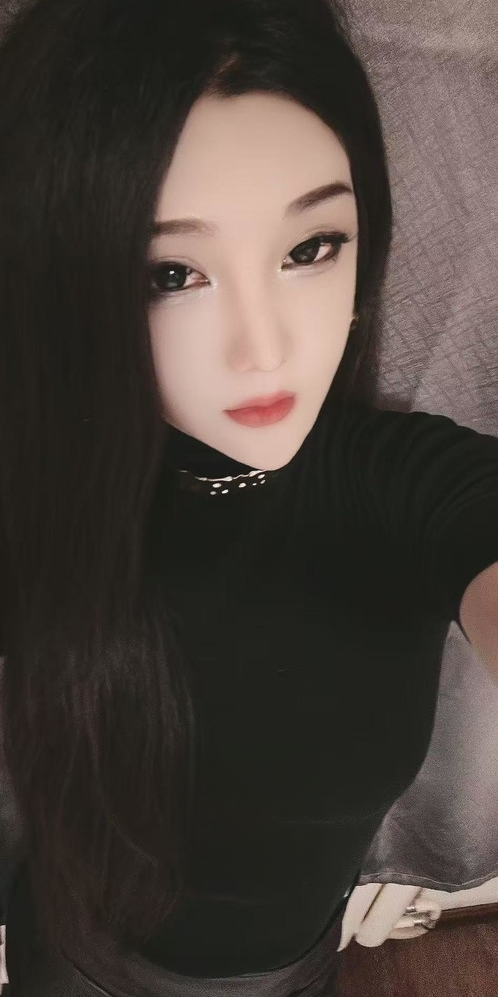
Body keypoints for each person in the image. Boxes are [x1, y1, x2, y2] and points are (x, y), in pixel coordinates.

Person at [1, 0, 498, 995]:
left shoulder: (406, 484)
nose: (264, 348)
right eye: (172, 272)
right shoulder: (32, 494)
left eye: (311, 248)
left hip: (297, 966)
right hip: (68, 959)